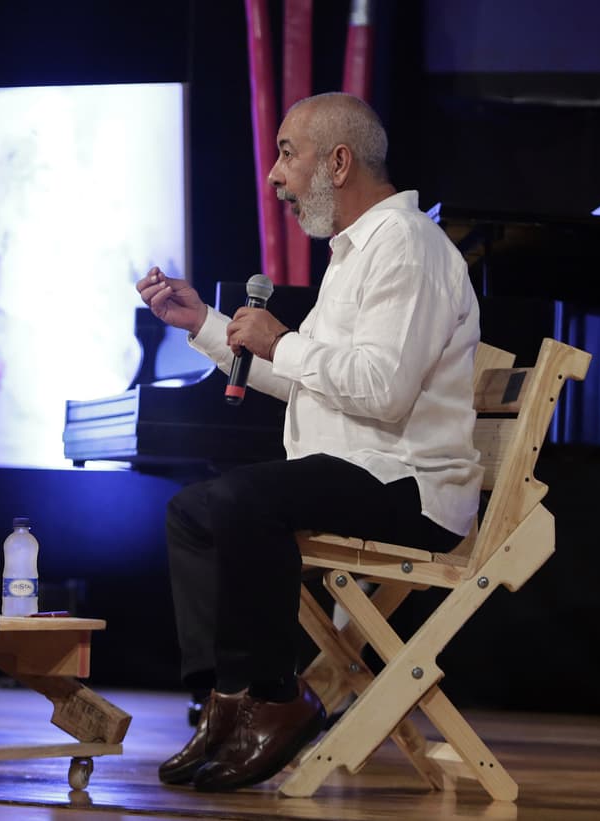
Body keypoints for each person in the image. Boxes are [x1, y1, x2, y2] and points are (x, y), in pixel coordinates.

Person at [136, 92, 481, 792]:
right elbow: (313, 384)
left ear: (340, 161)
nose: (275, 175)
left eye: (288, 154)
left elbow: (381, 390)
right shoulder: (355, 253)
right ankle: (224, 700)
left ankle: (278, 698)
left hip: (409, 484)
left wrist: (286, 341)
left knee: (243, 500)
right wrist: (204, 324)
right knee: (194, 512)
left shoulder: (407, 247)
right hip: (357, 467)